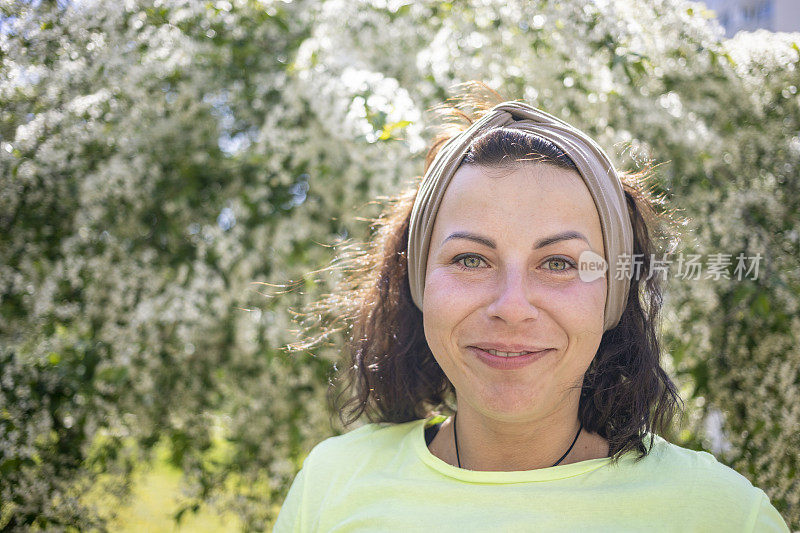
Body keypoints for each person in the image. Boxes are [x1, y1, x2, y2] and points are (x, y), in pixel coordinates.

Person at [273, 83, 789, 532]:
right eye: (471, 259)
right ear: (418, 282)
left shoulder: (718, 514)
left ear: (612, 295)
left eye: (560, 263)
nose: (512, 307)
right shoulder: (332, 483)